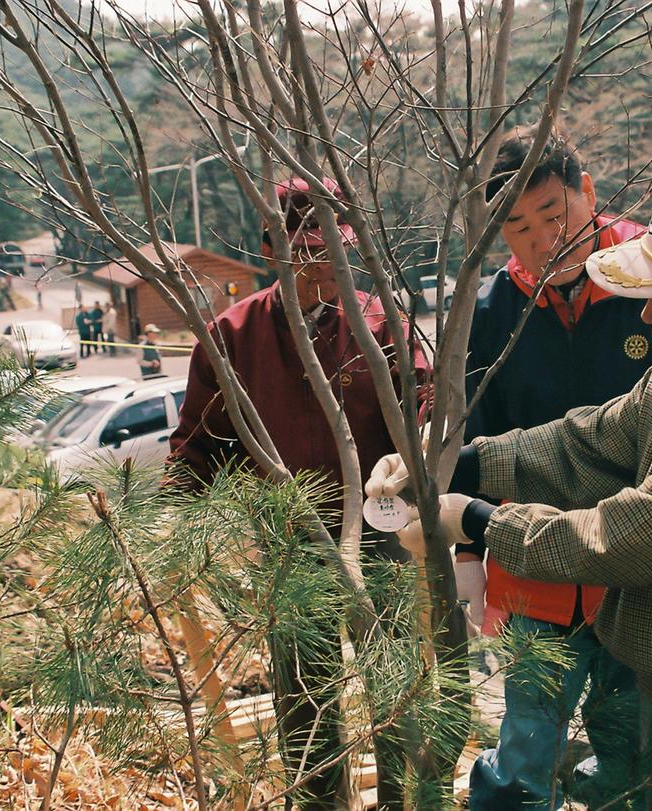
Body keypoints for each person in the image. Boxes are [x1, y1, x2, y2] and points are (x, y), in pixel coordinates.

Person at [370, 172, 652, 810]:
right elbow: (583, 443)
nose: (644, 316)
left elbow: (610, 541)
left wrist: (473, 521)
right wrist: (456, 465)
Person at [167, 177, 430, 810]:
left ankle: (402, 801)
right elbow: (199, 442)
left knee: (397, 686)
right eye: (307, 252)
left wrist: (423, 451)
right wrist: (172, 522)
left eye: (336, 250)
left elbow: (425, 407)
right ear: (270, 251)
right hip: (289, 542)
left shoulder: (380, 322)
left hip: (380, 530)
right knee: (305, 703)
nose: (324, 266)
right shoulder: (232, 335)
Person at [455, 128, 652, 810]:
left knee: (631, 756)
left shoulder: (649, 279)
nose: (544, 241)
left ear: (587, 192)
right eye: (518, 228)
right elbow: (471, 443)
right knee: (523, 756)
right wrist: (467, 555)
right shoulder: (492, 310)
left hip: (637, 572)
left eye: (554, 214)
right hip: (532, 571)